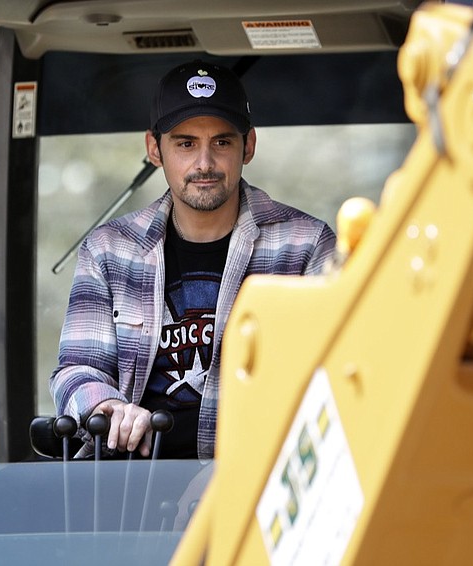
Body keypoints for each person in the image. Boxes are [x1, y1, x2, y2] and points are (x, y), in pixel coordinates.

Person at [50, 60, 336, 459]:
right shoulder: (109, 249)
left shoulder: (306, 245)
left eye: (222, 142)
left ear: (248, 146)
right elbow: (78, 369)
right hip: (129, 486)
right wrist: (106, 406)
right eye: (185, 143)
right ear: (155, 149)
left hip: (254, 485)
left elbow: (331, 379)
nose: (204, 164)